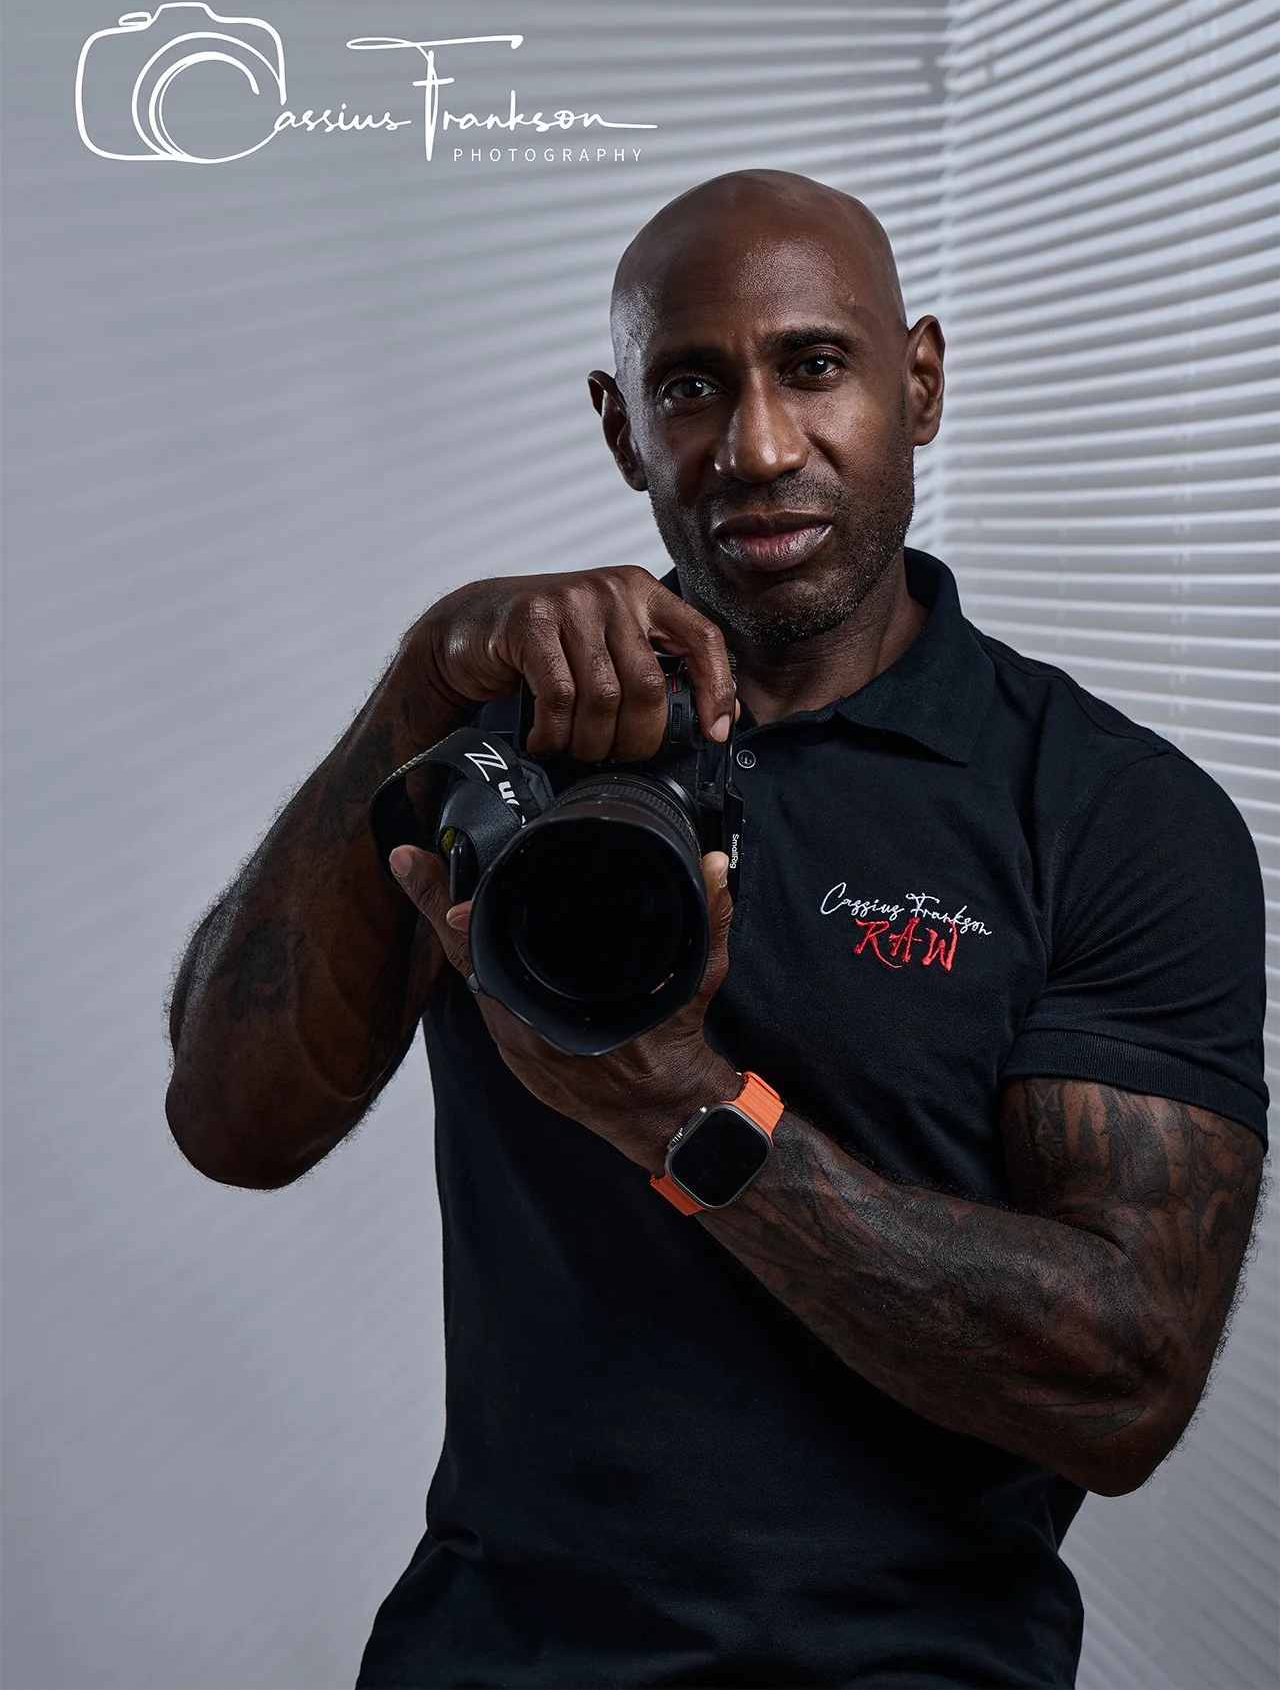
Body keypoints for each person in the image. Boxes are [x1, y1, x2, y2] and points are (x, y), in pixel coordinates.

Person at [166, 170, 1268, 1689]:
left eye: (815, 366)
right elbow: (235, 1124)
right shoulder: (505, 752)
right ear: (622, 427)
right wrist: (423, 678)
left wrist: (686, 1116)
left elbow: (1124, 1382)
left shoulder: (1106, 814)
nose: (756, 448)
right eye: (691, 386)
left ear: (921, 382)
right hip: (490, 1656)